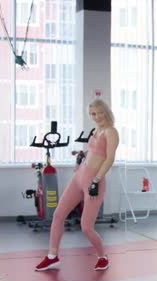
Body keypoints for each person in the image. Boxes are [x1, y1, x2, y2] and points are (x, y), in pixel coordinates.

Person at [35, 99, 119, 271]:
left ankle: (103, 257)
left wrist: (96, 180)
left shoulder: (111, 132)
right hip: (79, 175)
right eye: (92, 114)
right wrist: (83, 155)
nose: (96, 117)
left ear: (106, 112)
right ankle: (52, 256)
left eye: (99, 113)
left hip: (93, 180)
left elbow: (109, 158)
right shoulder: (96, 129)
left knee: (86, 227)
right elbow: (96, 151)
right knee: (58, 215)